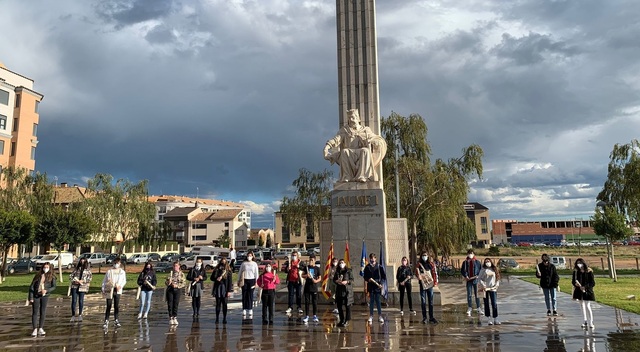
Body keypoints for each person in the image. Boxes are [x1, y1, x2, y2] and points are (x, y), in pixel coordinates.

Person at [323, 108, 383, 182]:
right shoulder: (345, 130)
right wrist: (327, 147)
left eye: (353, 117)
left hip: (360, 151)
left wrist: (375, 142)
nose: (351, 120)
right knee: (344, 151)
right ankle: (346, 176)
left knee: (365, 151)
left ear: (358, 119)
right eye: (349, 118)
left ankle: (363, 176)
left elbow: (374, 138)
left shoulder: (365, 130)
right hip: (350, 152)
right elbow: (336, 140)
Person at [29, 262, 57, 337]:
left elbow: (54, 286)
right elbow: (31, 287)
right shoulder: (38, 275)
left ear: (50, 268)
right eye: (44, 267)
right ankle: (34, 328)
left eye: (47, 267)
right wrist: (31, 297)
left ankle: (41, 328)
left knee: (43, 311)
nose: (45, 269)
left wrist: (47, 290)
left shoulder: (52, 277)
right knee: (35, 312)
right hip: (36, 295)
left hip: (45, 296)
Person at [102, 257, 127, 329]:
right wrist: (103, 288)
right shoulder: (109, 271)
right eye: (115, 263)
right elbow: (104, 281)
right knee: (108, 305)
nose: (116, 264)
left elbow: (124, 281)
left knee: (116, 305)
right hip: (110, 290)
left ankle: (116, 320)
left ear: (120, 264)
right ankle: (106, 320)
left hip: (117, 290)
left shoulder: (122, 272)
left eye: (118, 263)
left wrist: (120, 286)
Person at [572, 258, 596, 329]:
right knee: (581, 306)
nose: (579, 264)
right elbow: (573, 281)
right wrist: (575, 284)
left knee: (587, 306)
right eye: (577, 263)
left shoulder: (589, 271)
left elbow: (592, 283)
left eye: (580, 263)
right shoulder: (576, 272)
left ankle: (591, 322)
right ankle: (584, 320)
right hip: (579, 291)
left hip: (587, 291)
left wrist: (585, 287)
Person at [363, 253, 386, 324]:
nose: (372, 259)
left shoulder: (379, 266)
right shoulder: (367, 267)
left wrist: (381, 283)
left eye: (373, 258)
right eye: (371, 258)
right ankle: (371, 315)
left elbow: (383, 276)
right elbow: (365, 276)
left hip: (377, 285)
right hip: (371, 286)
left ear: (375, 258)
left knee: (378, 301)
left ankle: (380, 316)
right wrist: (368, 279)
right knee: (372, 301)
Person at [415, 252, 438, 324]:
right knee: (423, 302)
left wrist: (435, 282)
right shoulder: (418, 265)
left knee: (430, 302)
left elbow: (434, 273)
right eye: (423, 255)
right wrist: (418, 276)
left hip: (430, 286)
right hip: (422, 286)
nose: (424, 256)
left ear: (428, 256)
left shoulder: (431, 264)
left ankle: (431, 317)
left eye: (425, 255)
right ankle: (424, 317)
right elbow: (416, 273)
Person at [478, 258, 501, 325]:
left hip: (493, 289)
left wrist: (496, 285)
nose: (487, 262)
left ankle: (495, 318)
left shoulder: (494, 269)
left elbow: (497, 278)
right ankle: (489, 318)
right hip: (485, 289)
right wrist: (483, 285)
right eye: (486, 262)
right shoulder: (483, 269)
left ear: (491, 261)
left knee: (494, 303)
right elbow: (479, 278)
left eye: (488, 261)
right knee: (486, 303)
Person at [333, 258, 354, 327]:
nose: (341, 264)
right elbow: (334, 279)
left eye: (342, 262)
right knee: (339, 306)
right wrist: (337, 281)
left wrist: (347, 282)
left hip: (347, 291)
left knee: (347, 306)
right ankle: (341, 319)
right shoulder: (337, 271)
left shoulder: (348, 271)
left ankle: (347, 320)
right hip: (339, 290)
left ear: (345, 263)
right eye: (340, 263)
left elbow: (352, 280)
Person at [70, 257, 92, 322]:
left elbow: (90, 278)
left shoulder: (88, 270)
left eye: (83, 260)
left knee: (81, 301)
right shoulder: (76, 269)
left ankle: (80, 315)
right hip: (75, 286)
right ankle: (73, 315)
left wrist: (83, 281)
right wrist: (75, 281)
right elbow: (71, 276)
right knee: (74, 301)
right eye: (81, 260)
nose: (82, 262)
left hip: (83, 287)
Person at [461, 249, 482, 316]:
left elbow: (480, 270)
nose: (470, 255)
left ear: (474, 254)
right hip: (468, 280)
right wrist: (465, 276)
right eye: (469, 253)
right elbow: (462, 271)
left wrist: (477, 276)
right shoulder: (465, 262)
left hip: (475, 280)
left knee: (477, 294)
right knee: (469, 295)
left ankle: (478, 308)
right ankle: (469, 308)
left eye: (471, 253)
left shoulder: (477, 262)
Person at [211, 258, 233, 324]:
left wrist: (229, 291)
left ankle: (224, 318)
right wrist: (216, 278)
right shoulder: (217, 269)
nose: (223, 264)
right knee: (218, 303)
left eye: (224, 262)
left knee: (224, 304)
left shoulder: (228, 271)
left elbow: (230, 281)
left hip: (224, 288)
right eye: (222, 262)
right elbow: (212, 278)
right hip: (218, 287)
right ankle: (217, 318)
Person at [238, 250, 259, 318]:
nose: (249, 257)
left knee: (250, 295)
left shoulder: (254, 264)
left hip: (252, 280)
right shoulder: (244, 263)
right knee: (244, 295)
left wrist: (256, 282)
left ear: (252, 256)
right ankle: (244, 309)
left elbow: (256, 273)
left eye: (250, 256)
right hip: (245, 280)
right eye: (248, 256)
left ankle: (250, 309)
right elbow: (240, 272)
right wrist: (239, 280)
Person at [302, 254, 321, 323]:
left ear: (315, 260)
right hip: (307, 287)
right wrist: (306, 275)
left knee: (314, 302)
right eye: (310, 260)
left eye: (312, 260)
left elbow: (320, 278)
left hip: (314, 287)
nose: (311, 261)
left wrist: (316, 281)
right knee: (307, 302)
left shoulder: (317, 268)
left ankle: (315, 315)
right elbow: (302, 275)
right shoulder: (306, 267)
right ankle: (307, 315)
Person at [165, 261, 186, 325]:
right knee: (170, 303)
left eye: (176, 266)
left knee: (176, 303)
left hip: (177, 290)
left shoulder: (181, 274)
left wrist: (177, 286)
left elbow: (184, 283)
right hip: (170, 290)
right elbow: (166, 282)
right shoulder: (170, 274)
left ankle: (175, 317)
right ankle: (171, 317)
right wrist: (169, 282)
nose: (175, 267)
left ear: (179, 266)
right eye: (174, 266)